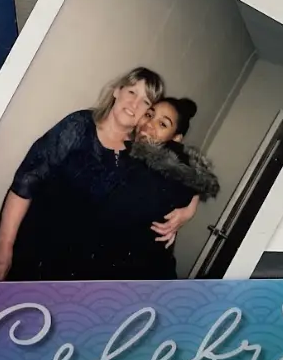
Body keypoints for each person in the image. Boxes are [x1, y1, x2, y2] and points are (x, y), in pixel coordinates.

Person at [0, 67, 165, 281]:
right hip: (35, 251)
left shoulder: (140, 155)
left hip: (82, 269)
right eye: (132, 92)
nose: (135, 103)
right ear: (117, 91)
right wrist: (3, 246)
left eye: (145, 102)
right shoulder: (78, 126)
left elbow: (180, 173)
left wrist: (187, 209)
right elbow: (25, 183)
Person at [89, 97, 221, 279]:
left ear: (175, 139)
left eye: (162, 124)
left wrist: (191, 204)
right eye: (149, 115)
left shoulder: (165, 164)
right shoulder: (128, 151)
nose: (149, 124)